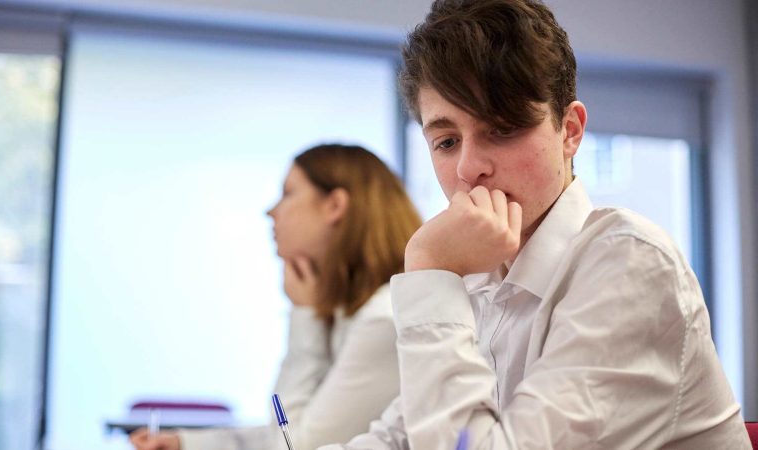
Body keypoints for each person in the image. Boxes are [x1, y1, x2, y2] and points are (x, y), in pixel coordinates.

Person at [319, 1, 751, 449]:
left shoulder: (632, 264)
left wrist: (429, 268)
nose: (468, 168)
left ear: (570, 131)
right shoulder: (479, 280)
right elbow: (398, 439)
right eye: (446, 142)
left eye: (502, 129)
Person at [130, 144, 422, 450]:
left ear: (334, 206)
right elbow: (287, 433)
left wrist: (305, 317)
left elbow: (294, 445)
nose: (270, 212)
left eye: (288, 193)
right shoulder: (353, 313)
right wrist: (184, 443)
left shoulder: (382, 321)